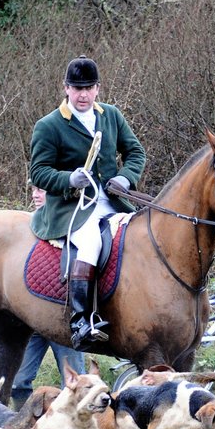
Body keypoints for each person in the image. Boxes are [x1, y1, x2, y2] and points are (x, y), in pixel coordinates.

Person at [29, 54, 146, 351]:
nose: (83, 95)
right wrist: (69, 180)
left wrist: (125, 178)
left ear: (97, 89)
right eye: (77, 88)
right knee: (92, 241)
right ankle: (82, 320)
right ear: (65, 88)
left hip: (113, 203)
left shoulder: (111, 115)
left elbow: (135, 152)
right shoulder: (50, 125)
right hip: (72, 209)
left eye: (89, 88)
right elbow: (39, 172)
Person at [11, 185, 86, 409]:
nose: (35, 194)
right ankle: (25, 423)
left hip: (62, 320)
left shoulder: (76, 226)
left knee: (74, 384)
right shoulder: (24, 229)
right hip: (31, 321)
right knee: (18, 382)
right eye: (33, 189)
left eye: (41, 190)